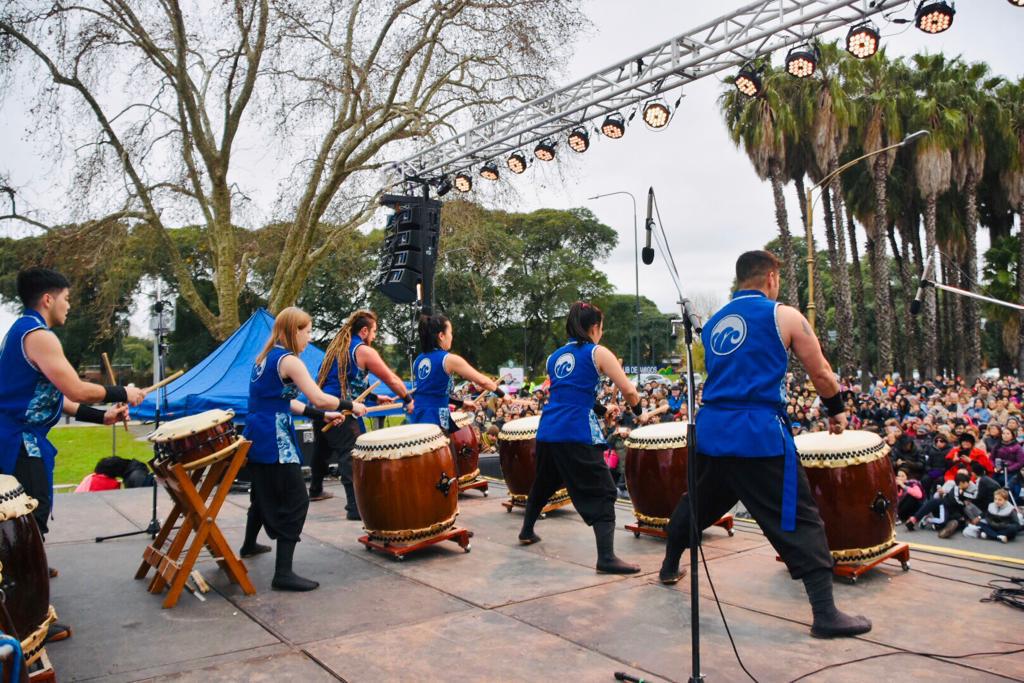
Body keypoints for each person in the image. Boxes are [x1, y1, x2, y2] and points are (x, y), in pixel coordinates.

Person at [658, 250, 870, 639]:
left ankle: (670, 565)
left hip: (712, 430)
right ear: (771, 277)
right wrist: (836, 410)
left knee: (698, 502)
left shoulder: (715, 321)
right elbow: (821, 372)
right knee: (798, 515)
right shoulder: (784, 315)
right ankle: (825, 613)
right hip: (757, 432)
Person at [0, 267, 143, 644]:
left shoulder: (24, 332)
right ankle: (26, 622)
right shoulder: (38, 335)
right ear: (47, 299)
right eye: (65, 297)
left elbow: (54, 397)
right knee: (23, 530)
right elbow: (76, 389)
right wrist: (121, 393)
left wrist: (103, 416)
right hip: (18, 441)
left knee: (26, 528)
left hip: (21, 439)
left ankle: (25, 597)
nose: (69, 304)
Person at [240, 307, 366, 591]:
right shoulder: (289, 361)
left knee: (262, 493)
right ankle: (283, 573)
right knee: (296, 499)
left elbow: (285, 402)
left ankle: (248, 545)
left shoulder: (263, 359)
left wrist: (322, 416)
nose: (309, 338)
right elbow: (320, 397)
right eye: (307, 331)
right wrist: (349, 406)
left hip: (257, 434)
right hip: (275, 439)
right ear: (293, 331)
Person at [517, 301, 645, 574]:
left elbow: (570, 394)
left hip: (549, 429)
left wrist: (601, 409)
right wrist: (637, 410)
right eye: (601, 327)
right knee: (604, 491)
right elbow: (629, 390)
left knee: (544, 482)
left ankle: (526, 530)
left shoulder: (554, 357)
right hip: (574, 431)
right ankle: (607, 558)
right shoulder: (598, 352)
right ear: (594, 328)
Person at [309, 310, 412, 518]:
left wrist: (374, 398)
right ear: (364, 331)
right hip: (340, 410)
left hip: (321, 408)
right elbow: (391, 379)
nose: (375, 336)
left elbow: (347, 382)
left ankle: (316, 489)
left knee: (321, 450)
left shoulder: (337, 348)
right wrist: (408, 399)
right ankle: (355, 508)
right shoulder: (363, 351)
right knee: (351, 455)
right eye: (374, 331)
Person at [410, 313, 503, 431]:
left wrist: (461, 403)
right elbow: (483, 381)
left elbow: (434, 394)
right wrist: (503, 395)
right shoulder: (448, 359)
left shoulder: (418, 360)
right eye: (450, 333)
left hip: (418, 416)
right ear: (441, 335)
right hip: (436, 419)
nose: (452, 337)